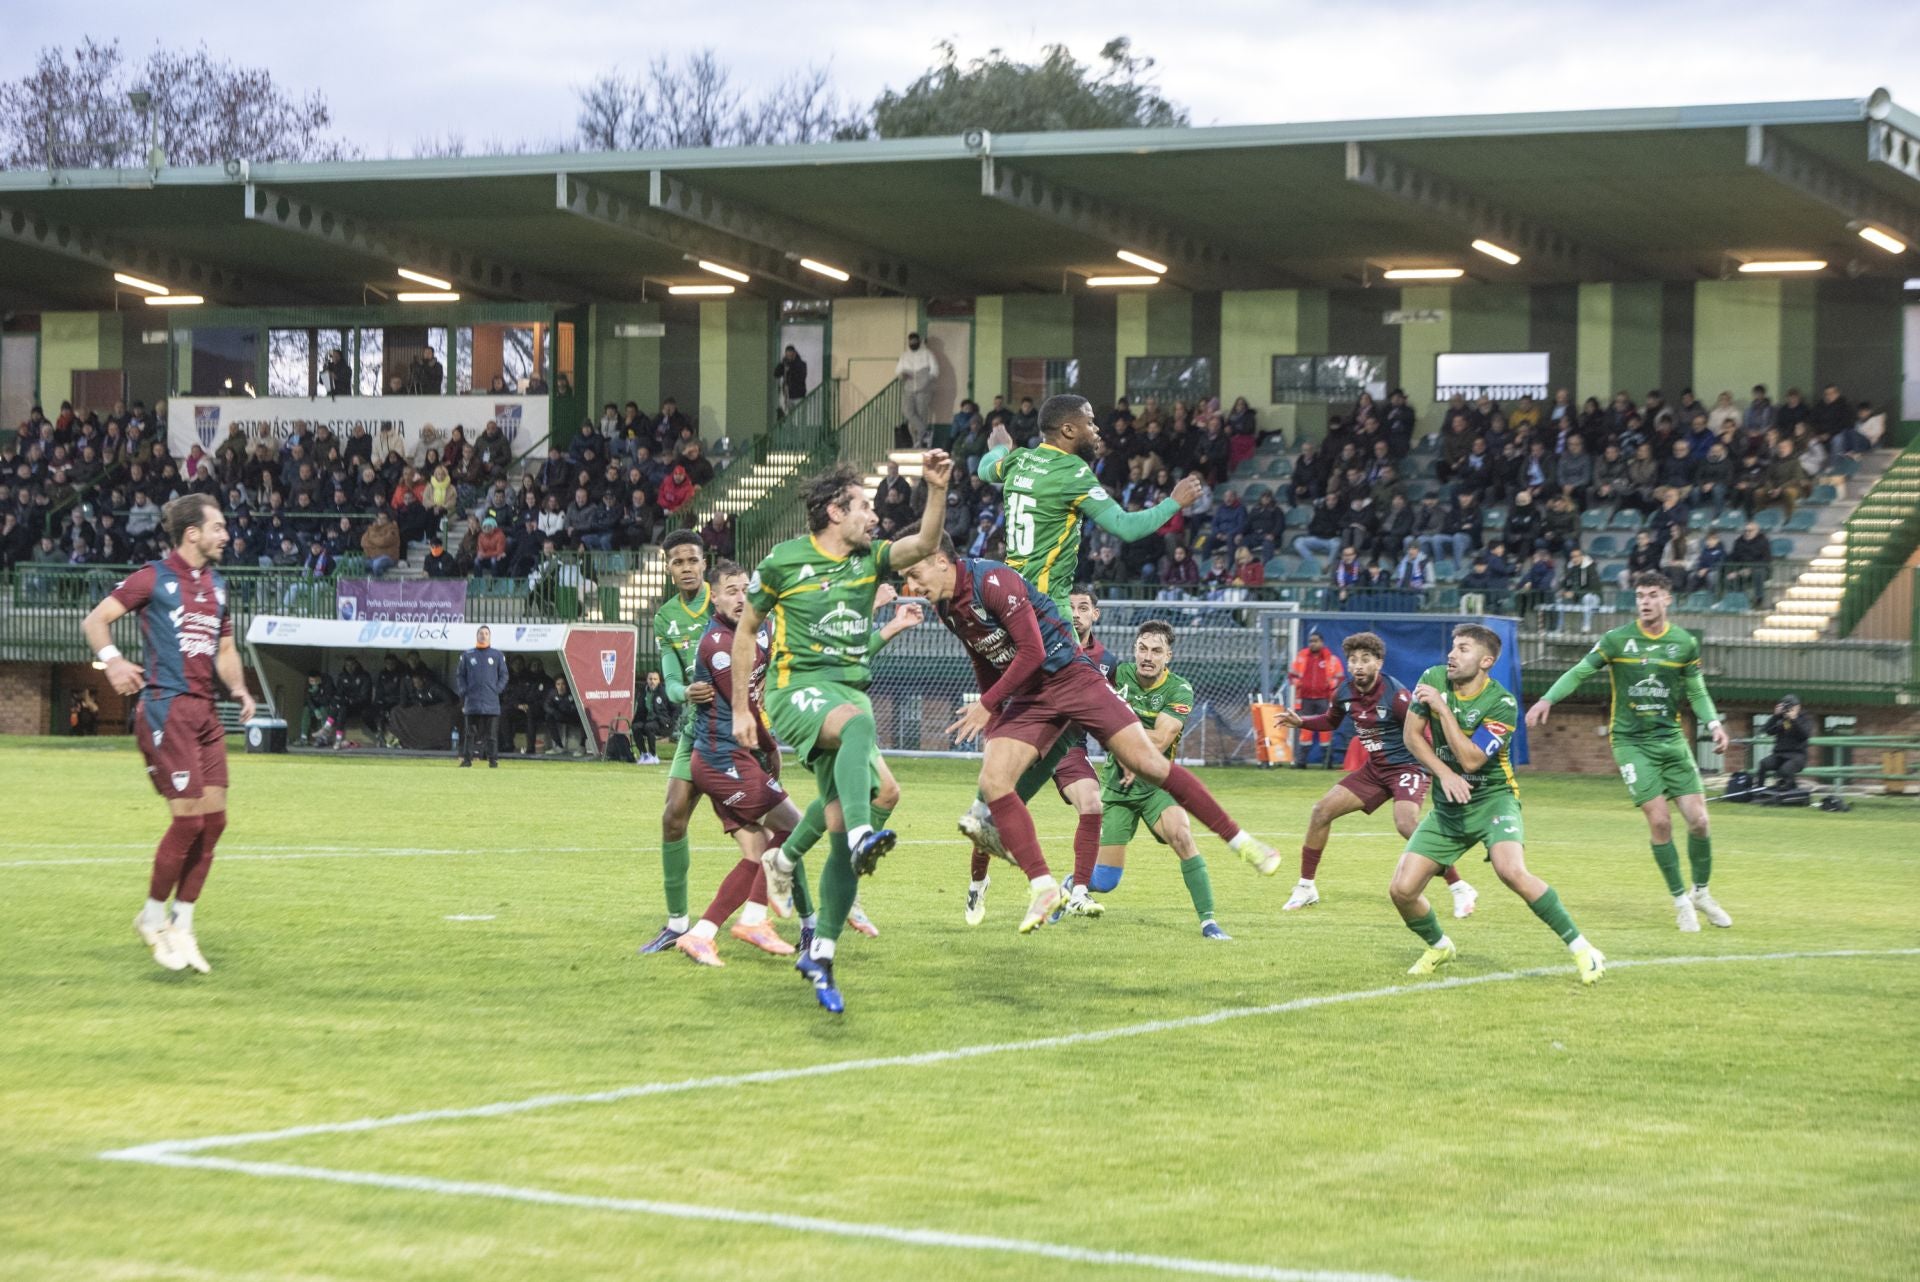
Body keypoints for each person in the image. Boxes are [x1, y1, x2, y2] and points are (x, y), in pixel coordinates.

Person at [901, 550, 1279, 939]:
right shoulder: (947, 609)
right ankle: (1043, 887)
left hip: (1070, 677)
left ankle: (1243, 842)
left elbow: (1032, 651)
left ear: (942, 561)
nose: (911, 586)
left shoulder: (994, 580)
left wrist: (988, 704)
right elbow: (983, 658)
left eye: (915, 572)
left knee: (1149, 764)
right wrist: (994, 716)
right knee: (992, 786)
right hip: (1031, 698)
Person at [731, 458, 954, 1012]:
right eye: (864, 507)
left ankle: (820, 950)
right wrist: (742, 707)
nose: (874, 517)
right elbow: (747, 630)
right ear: (835, 511)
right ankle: (856, 838)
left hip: (848, 691)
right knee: (859, 741)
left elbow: (925, 542)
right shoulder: (782, 562)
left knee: (877, 796)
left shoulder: (871, 561)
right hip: (797, 691)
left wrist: (938, 487)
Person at [962, 393, 1206, 848]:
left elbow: (983, 469)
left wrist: (999, 445)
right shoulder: (1071, 472)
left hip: (1010, 609)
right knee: (1078, 714)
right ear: (1069, 430)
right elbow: (1128, 528)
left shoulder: (1020, 462)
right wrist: (1174, 502)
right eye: (1091, 423)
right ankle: (989, 807)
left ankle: (992, 807)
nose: (1098, 430)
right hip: (1048, 615)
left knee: (1057, 720)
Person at [81, 494, 255, 975]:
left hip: (204, 713)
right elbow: (95, 621)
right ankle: (152, 917)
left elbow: (224, 649)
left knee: (214, 822)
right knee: (189, 823)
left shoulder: (217, 586)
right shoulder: (152, 578)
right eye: (218, 527)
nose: (226, 535)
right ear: (192, 533)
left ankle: (182, 922)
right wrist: (113, 661)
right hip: (165, 709)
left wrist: (238, 688)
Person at [1394, 625, 1606, 983]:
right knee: (1402, 890)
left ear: (1486, 661)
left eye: (1463, 649)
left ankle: (1584, 949)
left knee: (1511, 871)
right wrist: (1445, 775)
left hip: (1494, 800)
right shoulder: (1432, 676)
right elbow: (1411, 737)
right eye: (1452, 647)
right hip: (1448, 807)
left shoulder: (1502, 704)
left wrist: (1443, 711)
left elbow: (1473, 760)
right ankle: (1439, 945)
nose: (1451, 655)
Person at [1526, 571, 1734, 932]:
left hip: (1670, 739)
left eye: (1653, 594)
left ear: (1667, 599)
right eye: (1640, 595)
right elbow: (1579, 671)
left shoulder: (1683, 643)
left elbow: (1697, 692)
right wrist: (1547, 699)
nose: (1645, 601)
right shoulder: (1617, 640)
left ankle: (1701, 892)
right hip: (1631, 743)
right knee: (1660, 821)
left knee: (1699, 821)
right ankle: (1680, 901)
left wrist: (1714, 724)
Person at [1084, 620, 1279, 940]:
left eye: (1156, 651)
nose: (1148, 656)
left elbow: (1161, 739)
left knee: (1182, 836)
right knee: (1105, 881)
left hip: (1157, 785)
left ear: (1169, 656)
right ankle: (1072, 884)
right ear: (1134, 649)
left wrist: (1118, 736)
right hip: (1118, 787)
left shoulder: (1179, 688)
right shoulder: (1117, 675)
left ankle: (1208, 923)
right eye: (1142, 649)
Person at [1276, 632, 1478, 917]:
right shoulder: (1345, 692)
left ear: (1379, 663)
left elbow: (1426, 732)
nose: (1358, 666)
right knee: (1321, 811)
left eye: (1366, 660)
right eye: (1353, 660)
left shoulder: (1396, 695)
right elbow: (1331, 720)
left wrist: (1443, 770)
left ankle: (1460, 887)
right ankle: (1306, 886)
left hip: (1408, 767)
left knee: (1406, 824)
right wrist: (1302, 722)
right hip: (1375, 770)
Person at [673, 561, 804, 966]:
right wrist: (772, 749)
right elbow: (742, 705)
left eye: (745, 588)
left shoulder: (756, 630)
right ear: (713, 596)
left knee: (756, 853)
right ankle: (753, 918)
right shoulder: (717, 644)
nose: (741, 597)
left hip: (731, 757)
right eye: (731, 590)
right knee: (795, 827)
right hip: (721, 758)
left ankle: (701, 934)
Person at [637, 533, 716, 955]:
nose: (685, 567)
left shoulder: (726, 599)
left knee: (770, 828)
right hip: (695, 727)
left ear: (705, 563)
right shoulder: (666, 616)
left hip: (736, 729)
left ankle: (809, 922)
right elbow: (669, 681)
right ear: (669, 568)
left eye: (692, 560)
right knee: (672, 818)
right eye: (677, 562)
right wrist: (685, 692)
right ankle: (677, 924)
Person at [1288, 632, 1345, 767]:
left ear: (1322, 642)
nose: (1312, 643)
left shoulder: (1331, 659)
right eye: (1310, 641)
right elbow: (1292, 676)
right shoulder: (1301, 657)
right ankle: (1301, 763)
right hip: (1305, 699)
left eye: (1315, 641)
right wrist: (1299, 684)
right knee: (1304, 729)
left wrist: (1331, 684)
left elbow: (1340, 677)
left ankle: (1327, 763)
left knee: (1325, 730)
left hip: (1324, 699)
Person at [455, 625, 509, 768]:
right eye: (481, 633)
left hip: (491, 700)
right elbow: (460, 675)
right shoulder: (467, 655)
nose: (483, 636)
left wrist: (497, 689)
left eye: (486, 633)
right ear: (477, 636)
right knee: (469, 733)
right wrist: (464, 690)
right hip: (472, 700)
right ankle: (467, 759)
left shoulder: (497, 655)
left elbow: (504, 675)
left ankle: (493, 760)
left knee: (491, 734)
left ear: (489, 636)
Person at [1754, 695, 1811, 793]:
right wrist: (1775, 716)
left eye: (1790, 706)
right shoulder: (1781, 719)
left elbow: (1804, 735)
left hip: (1797, 755)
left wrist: (1793, 720)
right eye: (1785, 706)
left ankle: (1788, 793)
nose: (1788, 709)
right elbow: (1767, 731)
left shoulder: (1804, 719)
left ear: (1798, 707)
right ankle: (1759, 790)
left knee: (1784, 770)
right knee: (1764, 764)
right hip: (1780, 754)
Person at [895, 332, 938, 447]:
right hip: (909, 388)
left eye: (915, 341)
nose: (913, 343)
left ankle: (919, 441)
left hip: (924, 389)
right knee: (907, 411)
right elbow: (898, 370)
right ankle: (924, 431)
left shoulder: (927, 354)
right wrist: (902, 375)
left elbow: (935, 370)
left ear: (919, 341)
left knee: (921, 414)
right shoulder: (905, 355)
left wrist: (925, 379)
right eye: (911, 342)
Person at [637, 671, 673, 765]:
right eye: (650, 679)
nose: (652, 681)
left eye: (655, 679)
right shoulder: (643, 691)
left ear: (659, 681)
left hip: (661, 722)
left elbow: (676, 708)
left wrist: (670, 721)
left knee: (649, 727)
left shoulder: (664, 692)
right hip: (647, 721)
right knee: (636, 727)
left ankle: (653, 755)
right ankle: (644, 755)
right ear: (647, 680)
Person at [775, 345, 809, 418]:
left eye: (790, 355)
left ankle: (801, 429)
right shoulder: (785, 364)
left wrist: (790, 369)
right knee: (788, 417)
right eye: (787, 355)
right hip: (787, 395)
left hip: (799, 395)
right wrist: (781, 364)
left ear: (794, 354)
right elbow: (776, 374)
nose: (789, 357)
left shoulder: (801, 364)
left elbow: (801, 378)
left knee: (800, 417)